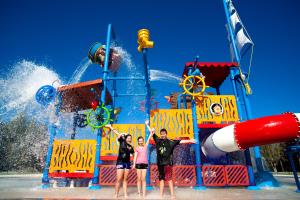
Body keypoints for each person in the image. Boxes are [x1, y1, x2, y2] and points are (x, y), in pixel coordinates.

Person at [145, 121, 196, 199]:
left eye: (164, 133)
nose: (162, 135)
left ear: (166, 134)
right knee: (161, 179)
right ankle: (161, 195)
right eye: (161, 134)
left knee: (169, 179)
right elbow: (151, 132)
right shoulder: (157, 140)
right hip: (160, 164)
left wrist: (190, 141)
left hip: (168, 163)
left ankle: (172, 195)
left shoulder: (170, 142)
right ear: (160, 134)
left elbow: (180, 141)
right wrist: (147, 125)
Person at [105, 124, 134, 199]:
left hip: (127, 163)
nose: (129, 139)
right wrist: (111, 127)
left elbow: (133, 155)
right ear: (126, 138)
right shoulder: (122, 142)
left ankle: (125, 194)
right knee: (119, 179)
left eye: (130, 138)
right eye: (128, 137)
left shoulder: (131, 147)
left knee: (125, 179)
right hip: (120, 162)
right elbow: (117, 133)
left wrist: (133, 163)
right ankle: (116, 194)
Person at [132, 121, 154, 198]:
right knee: (139, 179)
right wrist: (134, 164)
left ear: (143, 141)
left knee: (143, 179)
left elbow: (151, 133)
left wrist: (147, 125)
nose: (141, 141)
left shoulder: (145, 146)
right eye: (139, 140)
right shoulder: (136, 147)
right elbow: (135, 156)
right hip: (138, 164)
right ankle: (139, 193)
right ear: (138, 141)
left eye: (142, 140)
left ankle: (144, 193)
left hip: (144, 164)